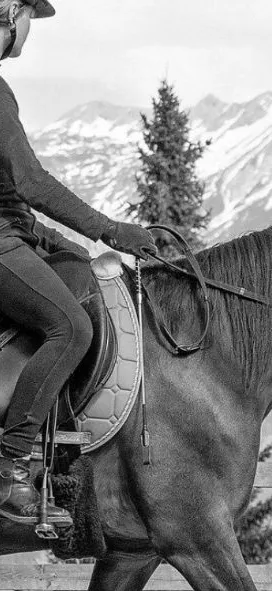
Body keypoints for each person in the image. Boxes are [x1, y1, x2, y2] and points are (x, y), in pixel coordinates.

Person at [0, 0, 157, 526]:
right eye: (29, 17)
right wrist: (113, 231)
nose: (29, 30)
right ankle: (11, 466)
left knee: (76, 271)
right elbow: (31, 183)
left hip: (10, 231)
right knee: (71, 328)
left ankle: (59, 454)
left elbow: (10, 195)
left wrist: (48, 237)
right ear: (6, 14)